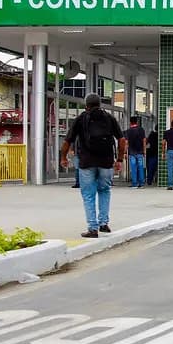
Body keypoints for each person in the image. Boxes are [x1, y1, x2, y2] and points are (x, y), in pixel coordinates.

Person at [60, 93, 126, 238]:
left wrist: (63, 157)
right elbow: (121, 140)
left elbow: (67, 141)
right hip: (106, 162)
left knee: (88, 195)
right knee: (105, 191)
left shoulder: (81, 119)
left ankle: (92, 228)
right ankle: (103, 223)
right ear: (100, 104)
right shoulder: (109, 118)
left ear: (86, 105)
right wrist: (119, 159)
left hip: (86, 163)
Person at [125, 116, 146, 188]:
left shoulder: (128, 131)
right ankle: (142, 183)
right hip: (140, 151)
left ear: (130, 122)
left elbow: (126, 143)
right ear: (137, 122)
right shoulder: (141, 130)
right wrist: (144, 150)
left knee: (133, 168)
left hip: (132, 152)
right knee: (140, 167)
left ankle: (134, 183)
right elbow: (144, 140)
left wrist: (125, 152)